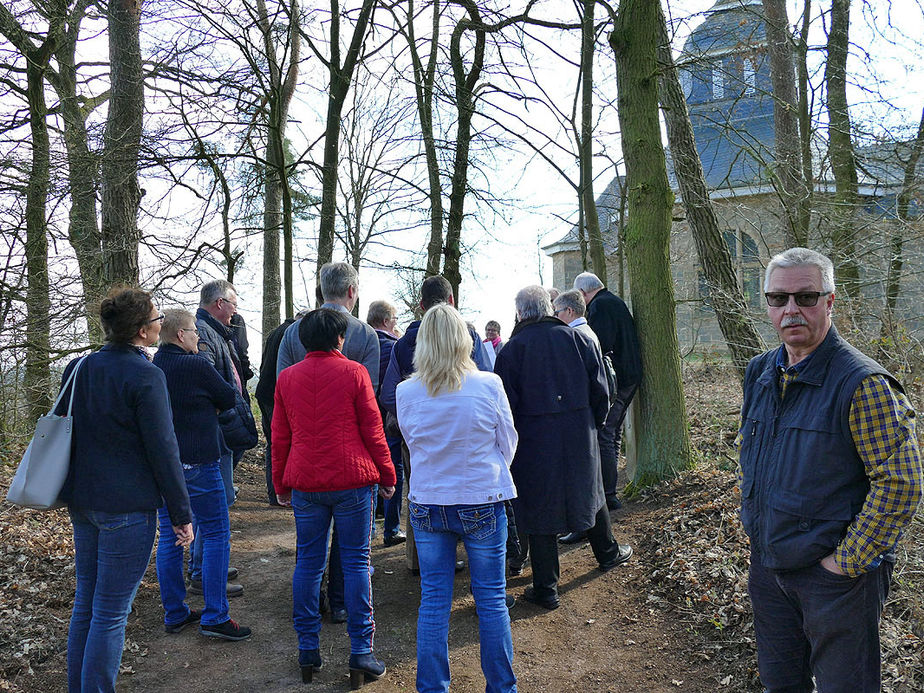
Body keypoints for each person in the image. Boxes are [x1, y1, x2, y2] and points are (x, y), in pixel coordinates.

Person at [738, 247, 923, 693]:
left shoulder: (863, 384)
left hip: (836, 582)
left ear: (830, 301)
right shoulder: (760, 372)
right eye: (778, 299)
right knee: (781, 685)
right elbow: (756, 461)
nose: (790, 310)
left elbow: (901, 483)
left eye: (806, 297)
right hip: (769, 568)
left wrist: (844, 564)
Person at [60, 287, 193, 692]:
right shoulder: (146, 375)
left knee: (87, 602)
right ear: (141, 331)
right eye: (156, 319)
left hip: (82, 500)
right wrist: (181, 513)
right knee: (111, 612)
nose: (159, 324)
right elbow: (164, 449)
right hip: (127, 508)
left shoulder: (78, 368)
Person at [397, 304, 518, 693]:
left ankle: (432, 687)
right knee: (491, 598)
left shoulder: (405, 391)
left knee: (433, 600)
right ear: (463, 342)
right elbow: (508, 442)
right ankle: (501, 687)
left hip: (429, 500)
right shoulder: (488, 384)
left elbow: (413, 445)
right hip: (481, 495)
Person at [272, 309, 396, 686]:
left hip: (307, 482)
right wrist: (388, 475)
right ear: (339, 339)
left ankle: (308, 649)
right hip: (353, 480)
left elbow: (280, 436)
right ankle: (361, 650)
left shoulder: (286, 378)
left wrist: (280, 484)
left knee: (308, 563)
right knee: (357, 563)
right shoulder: (355, 373)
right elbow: (373, 430)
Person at [494, 286, 632, 610]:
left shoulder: (512, 351)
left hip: (532, 441)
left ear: (519, 314)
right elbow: (602, 391)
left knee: (539, 507)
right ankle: (608, 553)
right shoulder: (580, 340)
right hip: (578, 433)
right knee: (592, 490)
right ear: (550, 309)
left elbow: (504, 408)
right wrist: (592, 426)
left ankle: (546, 587)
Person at [277, 263, 381, 623]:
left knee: (308, 550)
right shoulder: (366, 336)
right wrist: (385, 471)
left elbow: (283, 406)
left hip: (304, 459)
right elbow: (372, 405)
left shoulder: (294, 333)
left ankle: (311, 612)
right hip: (353, 461)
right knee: (354, 551)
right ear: (352, 291)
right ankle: (341, 604)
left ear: (322, 290)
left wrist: (281, 473)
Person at [380, 275, 492, 572]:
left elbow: (389, 393)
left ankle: (422, 560)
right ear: (452, 300)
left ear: (420, 305)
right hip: (464, 431)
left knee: (418, 489)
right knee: (467, 490)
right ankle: (472, 558)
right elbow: (486, 378)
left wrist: (412, 418)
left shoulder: (404, 343)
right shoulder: (467, 335)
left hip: (417, 435)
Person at [153, 309, 252, 641]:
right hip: (201, 464)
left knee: (169, 537)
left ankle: (175, 612)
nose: (198, 336)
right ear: (181, 335)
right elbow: (229, 396)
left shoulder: (153, 367)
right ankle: (215, 615)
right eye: (194, 332)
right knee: (214, 534)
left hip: (167, 468)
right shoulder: (195, 366)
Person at [195, 279, 253, 596]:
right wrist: (227, 413)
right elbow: (207, 382)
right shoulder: (203, 333)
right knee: (215, 503)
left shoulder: (216, 332)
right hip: (216, 433)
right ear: (219, 303)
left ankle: (206, 564)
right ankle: (204, 572)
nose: (235, 311)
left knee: (219, 500)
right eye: (233, 304)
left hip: (224, 429)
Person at [574, 272, 641, 510]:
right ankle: (609, 491)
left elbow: (599, 345)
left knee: (605, 433)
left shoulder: (600, 306)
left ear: (583, 293)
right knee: (612, 434)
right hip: (629, 376)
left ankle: (608, 494)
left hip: (617, 380)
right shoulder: (613, 301)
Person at [367, 299, 406, 547]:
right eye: (394, 320)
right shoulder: (394, 348)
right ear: (385, 321)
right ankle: (391, 529)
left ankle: (368, 528)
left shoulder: (358, 343)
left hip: (364, 421)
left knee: (367, 475)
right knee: (393, 473)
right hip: (388, 421)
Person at [256, 315, 298, 506]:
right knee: (280, 442)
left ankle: (274, 492)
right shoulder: (291, 333)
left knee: (272, 442)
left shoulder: (276, 332)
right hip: (275, 394)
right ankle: (279, 493)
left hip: (264, 392)